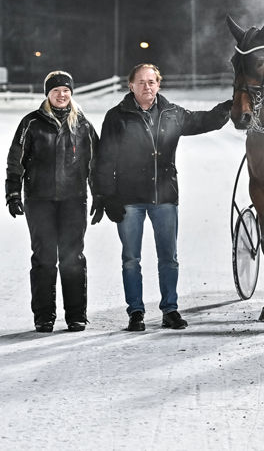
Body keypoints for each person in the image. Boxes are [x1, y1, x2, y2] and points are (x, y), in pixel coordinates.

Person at [92, 63, 232, 332]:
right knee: (131, 259)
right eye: (141, 82)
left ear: (158, 84)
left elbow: (203, 121)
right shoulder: (117, 117)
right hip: (129, 198)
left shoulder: (172, 113)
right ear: (130, 85)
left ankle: (170, 309)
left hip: (164, 196)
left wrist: (228, 106)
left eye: (151, 82)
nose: (147, 86)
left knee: (169, 257)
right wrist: (106, 195)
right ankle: (136, 312)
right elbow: (104, 159)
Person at [5, 71, 99, 333]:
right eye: (56, 90)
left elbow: (96, 163)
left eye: (66, 90)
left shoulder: (82, 124)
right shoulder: (31, 123)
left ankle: (76, 315)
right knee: (44, 259)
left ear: (71, 93)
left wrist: (100, 195)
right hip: (39, 201)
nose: (61, 95)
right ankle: (44, 316)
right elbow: (16, 160)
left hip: (73, 200)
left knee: (72, 259)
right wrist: (13, 193)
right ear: (47, 94)